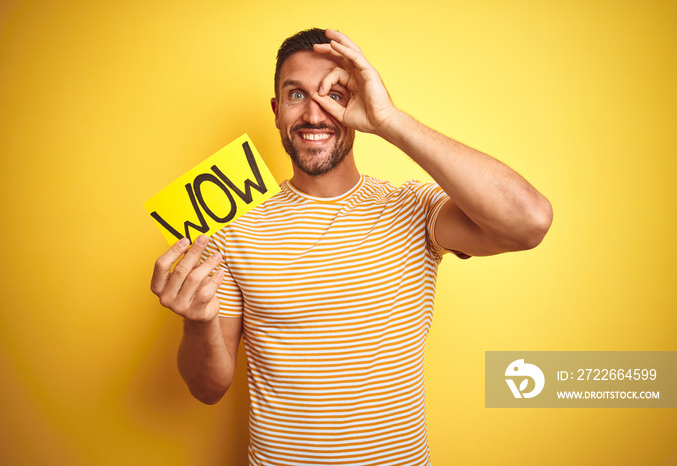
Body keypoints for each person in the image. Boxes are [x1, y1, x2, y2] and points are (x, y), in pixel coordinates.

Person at [151, 28, 552, 465]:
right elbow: (207, 389)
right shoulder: (232, 226)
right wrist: (198, 323)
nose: (315, 114)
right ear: (276, 110)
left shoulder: (412, 207)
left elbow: (529, 222)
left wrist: (390, 120)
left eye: (334, 94)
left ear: (358, 102)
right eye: (296, 95)